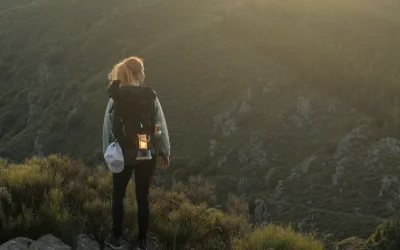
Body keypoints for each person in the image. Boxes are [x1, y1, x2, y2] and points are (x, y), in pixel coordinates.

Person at [102, 56, 171, 250]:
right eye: (143, 71)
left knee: (118, 196)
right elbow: (160, 125)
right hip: (146, 153)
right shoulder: (150, 96)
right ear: (137, 73)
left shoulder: (116, 95)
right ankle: (142, 240)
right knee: (142, 197)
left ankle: (116, 238)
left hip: (122, 153)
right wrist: (165, 151)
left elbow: (107, 128)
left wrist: (107, 151)